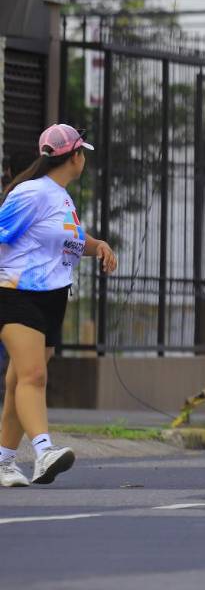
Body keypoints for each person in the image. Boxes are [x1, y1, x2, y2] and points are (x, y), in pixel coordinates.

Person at [0, 125, 117, 487]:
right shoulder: (31, 193)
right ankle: (44, 452)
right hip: (17, 294)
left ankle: (3, 462)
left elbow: (70, 239)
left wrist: (99, 246)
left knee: (19, 382)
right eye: (83, 153)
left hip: (52, 299)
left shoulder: (61, 197)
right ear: (75, 156)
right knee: (34, 376)